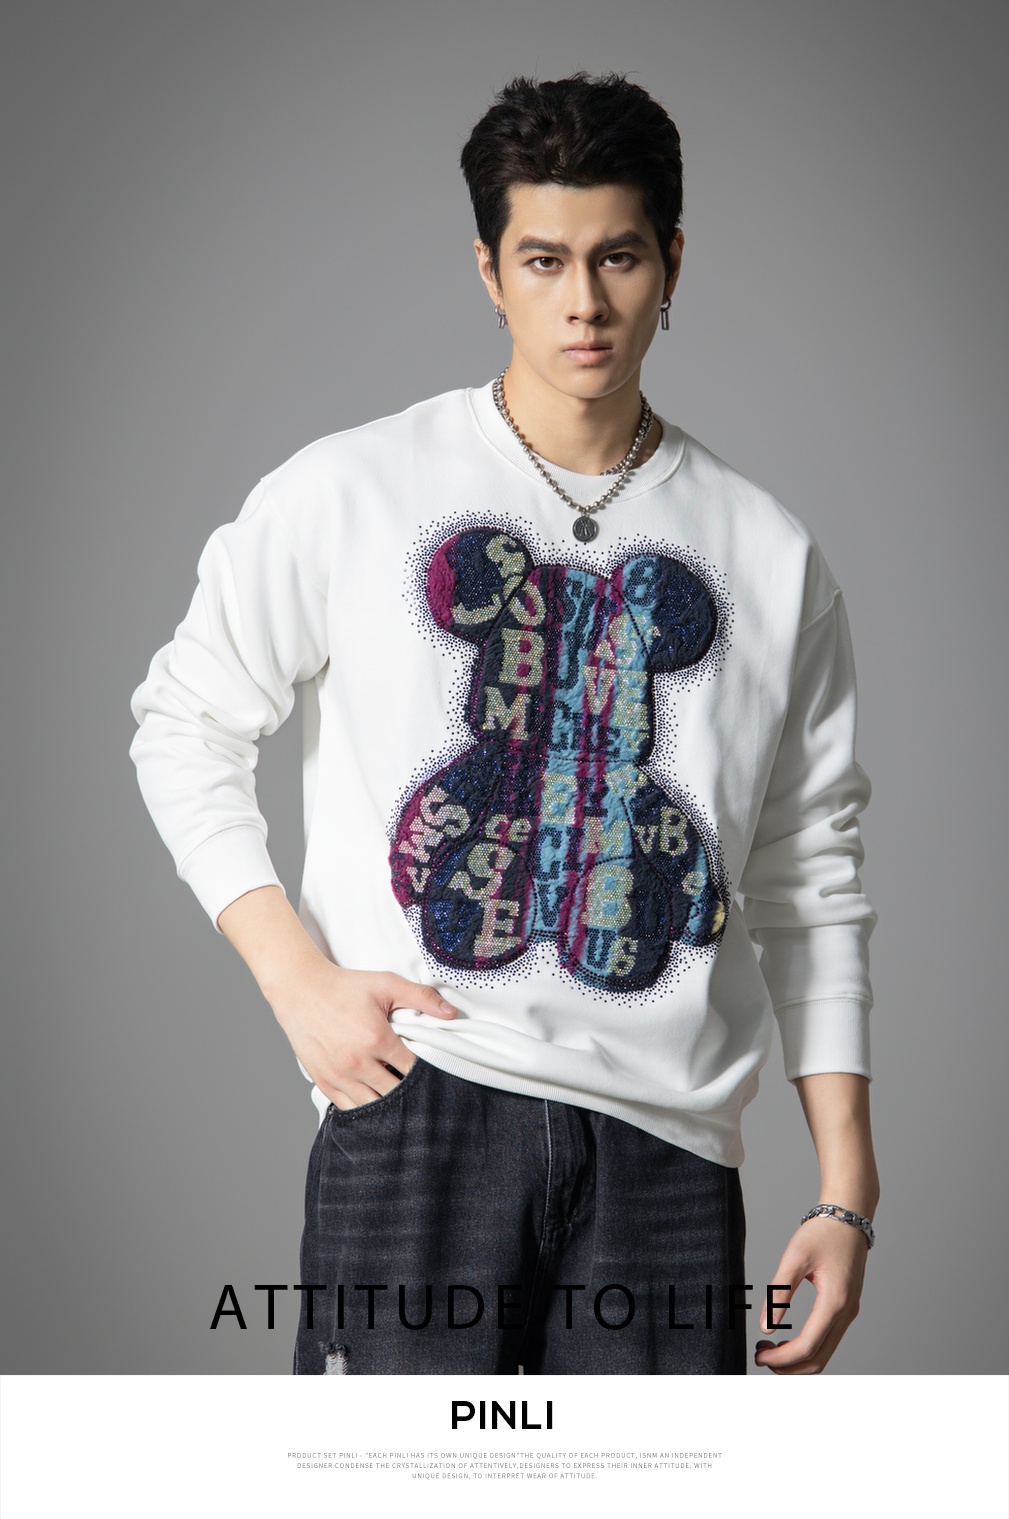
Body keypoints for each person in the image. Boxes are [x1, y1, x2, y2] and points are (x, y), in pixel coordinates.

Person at [130, 72, 879, 1376]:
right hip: (421, 1109)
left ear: (672, 261)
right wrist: (296, 982)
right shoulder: (351, 491)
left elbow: (806, 874)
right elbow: (182, 723)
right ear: (488, 270)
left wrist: (844, 1186)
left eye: (617, 257)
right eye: (542, 260)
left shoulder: (768, 553)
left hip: (668, 1152)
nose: (583, 302)